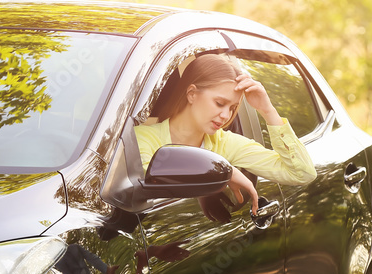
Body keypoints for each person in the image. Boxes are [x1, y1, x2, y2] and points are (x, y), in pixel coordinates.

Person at [135, 53, 316, 212]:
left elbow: (302, 173)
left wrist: (267, 110)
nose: (226, 115)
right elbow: (143, 188)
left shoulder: (225, 143)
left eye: (233, 107)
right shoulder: (142, 137)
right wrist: (227, 172)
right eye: (220, 103)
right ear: (192, 94)